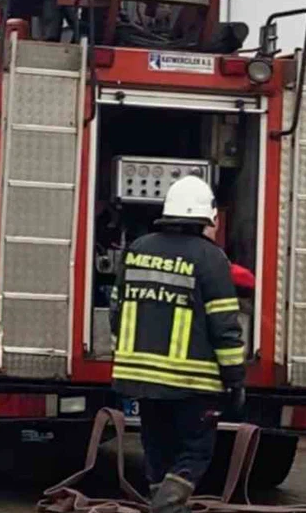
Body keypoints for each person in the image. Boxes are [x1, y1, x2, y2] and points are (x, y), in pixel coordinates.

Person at [110, 176, 246, 513]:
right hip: (192, 383)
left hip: (141, 379)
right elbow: (224, 326)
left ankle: (163, 505)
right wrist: (235, 379)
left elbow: (117, 309)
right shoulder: (211, 258)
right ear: (206, 217)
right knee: (195, 451)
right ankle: (166, 508)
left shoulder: (138, 249)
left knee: (157, 449)